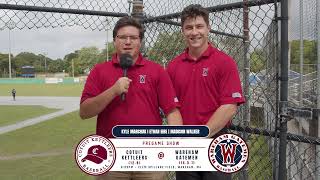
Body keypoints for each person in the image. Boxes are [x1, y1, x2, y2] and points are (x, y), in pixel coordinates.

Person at [80, 16, 182, 180]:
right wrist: (113, 90)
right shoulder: (99, 71)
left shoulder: (156, 71)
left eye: (133, 37)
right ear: (115, 40)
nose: (128, 42)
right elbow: (84, 112)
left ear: (140, 41)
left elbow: (172, 111)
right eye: (122, 37)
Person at [167, 4, 245, 180]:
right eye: (189, 27)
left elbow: (229, 107)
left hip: (217, 143)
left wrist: (200, 135)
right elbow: (171, 107)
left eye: (199, 26)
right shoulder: (173, 66)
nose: (194, 32)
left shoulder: (225, 62)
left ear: (208, 28)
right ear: (182, 31)